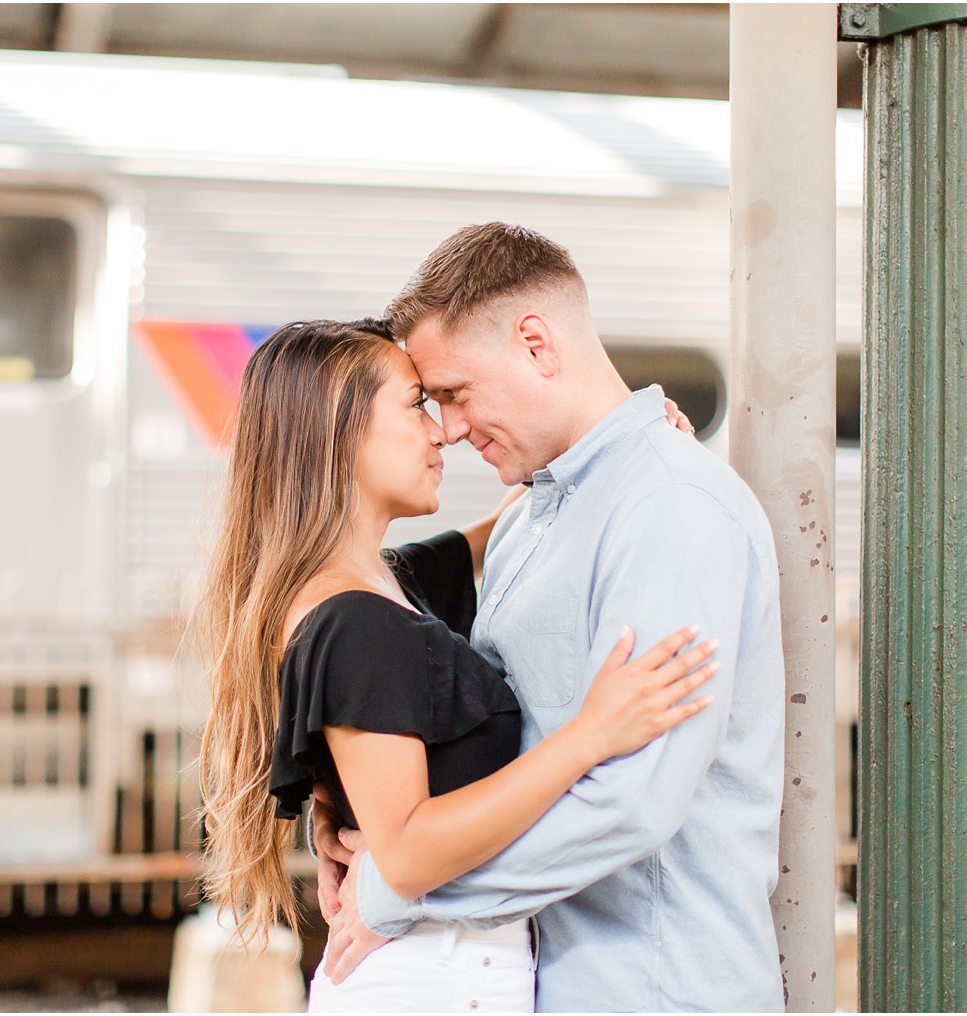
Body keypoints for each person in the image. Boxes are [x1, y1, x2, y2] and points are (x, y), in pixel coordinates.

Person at [315, 223, 786, 1012]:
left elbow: (634, 801)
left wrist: (401, 888)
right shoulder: (531, 520)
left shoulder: (671, 507)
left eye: (457, 394)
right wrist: (346, 812)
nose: (451, 428)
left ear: (536, 343)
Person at [193, 317, 718, 1012]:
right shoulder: (356, 623)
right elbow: (407, 853)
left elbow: (520, 515)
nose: (441, 430)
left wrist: (620, 442)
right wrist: (591, 734)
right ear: (336, 429)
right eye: (415, 405)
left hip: (444, 969)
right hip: (431, 979)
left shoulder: (385, 586)